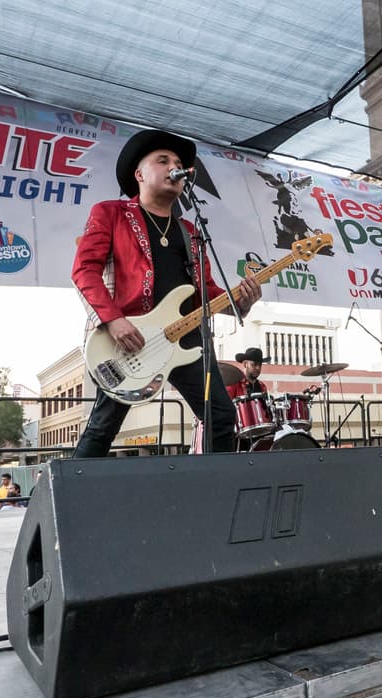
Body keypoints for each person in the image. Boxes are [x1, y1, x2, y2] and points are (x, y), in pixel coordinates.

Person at [72, 129, 262, 458]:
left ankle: (214, 497)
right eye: (163, 161)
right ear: (139, 174)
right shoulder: (111, 213)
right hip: (129, 338)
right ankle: (69, 501)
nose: (174, 167)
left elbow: (205, 292)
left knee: (220, 416)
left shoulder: (191, 232)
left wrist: (239, 302)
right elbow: (84, 271)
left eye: (178, 163)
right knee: (104, 426)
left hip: (186, 339)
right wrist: (114, 321)